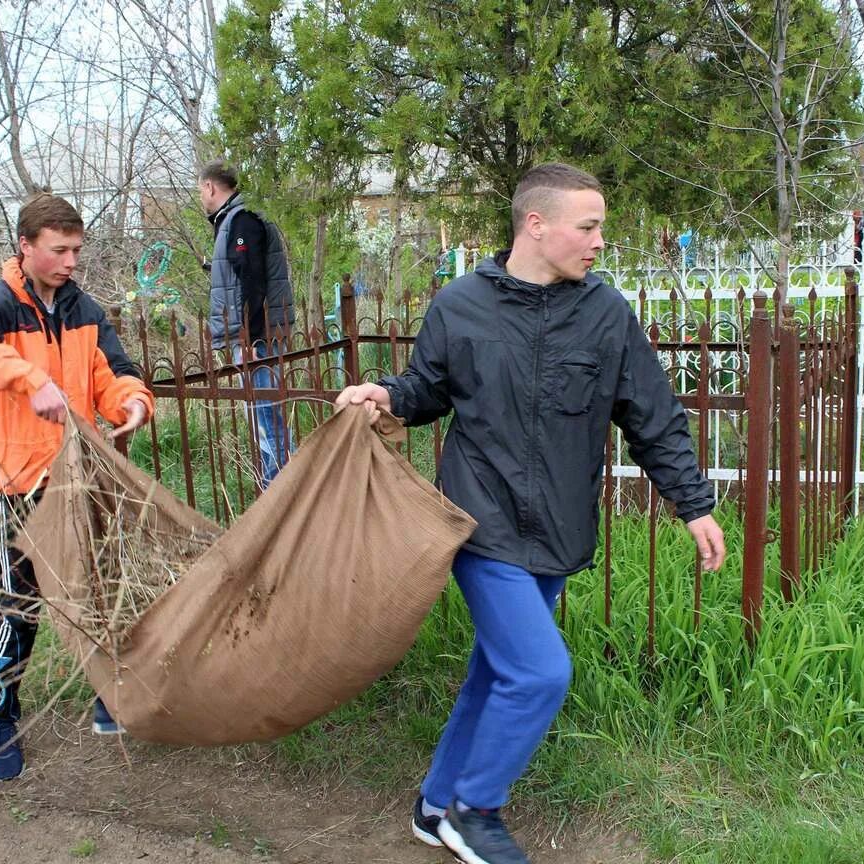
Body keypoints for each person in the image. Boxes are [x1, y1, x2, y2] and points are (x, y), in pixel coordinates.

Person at [336, 163, 726, 864]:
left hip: (560, 527)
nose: (600, 241)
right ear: (536, 226)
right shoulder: (461, 306)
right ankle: (475, 809)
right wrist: (384, 396)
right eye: (589, 226)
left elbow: (653, 417)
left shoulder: (606, 315)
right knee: (541, 673)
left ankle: (436, 803)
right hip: (480, 522)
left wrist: (692, 503)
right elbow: (427, 389)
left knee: (499, 669)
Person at [0, 193, 153, 782]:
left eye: (76, 250)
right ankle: (0, 716)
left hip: (79, 472)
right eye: (59, 250)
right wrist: (28, 377)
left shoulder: (84, 308)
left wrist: (131, 402)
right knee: (21, 602)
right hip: (17, 478)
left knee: (97, 584)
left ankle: (109, 699)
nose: (70, 261)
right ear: (25, 247)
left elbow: (115, 372)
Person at [199, 159, 295, 486]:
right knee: (265, 421)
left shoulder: (242, 220)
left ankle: (282, 496)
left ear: (210, 186)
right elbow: (242, 274)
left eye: (202, 190)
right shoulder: (236, 220)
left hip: (258, 339)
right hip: (257, 335)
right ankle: (282, 494)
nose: (202, 196)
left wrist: (251, 340)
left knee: (268, 423)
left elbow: (253, 281)